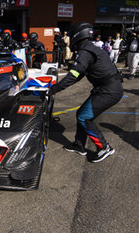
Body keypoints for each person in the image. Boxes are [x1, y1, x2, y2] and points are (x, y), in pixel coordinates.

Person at [48, 22, 123, 163]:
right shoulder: (89, 48)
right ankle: (79, 145)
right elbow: (79, 75)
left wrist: (53, 90)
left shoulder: (85, 51)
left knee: (84, 117)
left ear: (77, 36)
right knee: (82, 114)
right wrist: (58, 87)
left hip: (108, 90)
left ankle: (104, 147)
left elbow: (73, 76)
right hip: (107, 88)